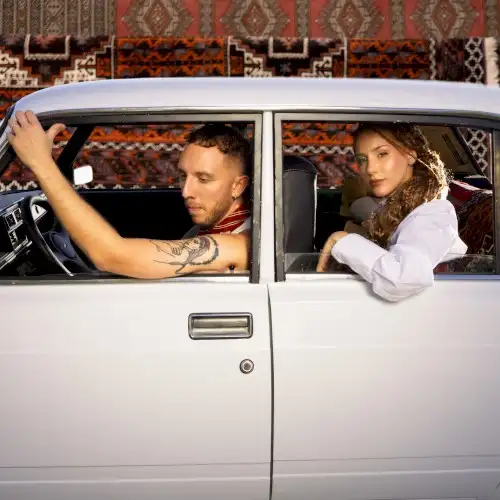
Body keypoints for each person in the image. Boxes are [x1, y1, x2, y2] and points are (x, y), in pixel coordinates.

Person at [7, 112, 252, 279]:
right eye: (183, 176)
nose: (186, 192)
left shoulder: (237, 246)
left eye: (203, 179)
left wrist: (42, 164)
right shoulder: (210, 227)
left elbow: (112, 255)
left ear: (238, 186)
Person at [317, 122, 467, 302]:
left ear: (410, 154)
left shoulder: (433, 213)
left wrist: (341, 240)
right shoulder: (394, 208)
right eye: (362, 160)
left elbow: (404, 280)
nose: (370, 169)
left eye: (382, 154)